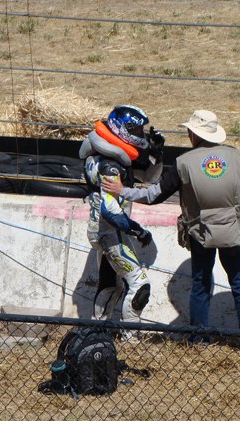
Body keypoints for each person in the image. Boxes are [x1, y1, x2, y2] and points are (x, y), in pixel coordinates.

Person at [102, 109, 240, 355]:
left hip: (200, 232)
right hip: (234, 231)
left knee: (201, 284)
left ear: (194, 134)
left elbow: (154, 195)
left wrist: (122, 190)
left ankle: (200, 339)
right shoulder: (237, 158)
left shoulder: (184, 162)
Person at [79, 105, 165, 331]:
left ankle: (96, 331)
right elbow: (109, 209)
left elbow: (149, 177)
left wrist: (157, 154)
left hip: (104, 230)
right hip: (110, 231)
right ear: (121, 128)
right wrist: (137, 230)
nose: (140, 135)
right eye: (136, 130)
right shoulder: (111, 165)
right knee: (140, 285)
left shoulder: (107, 156)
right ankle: (130, 338)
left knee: (110, 284)